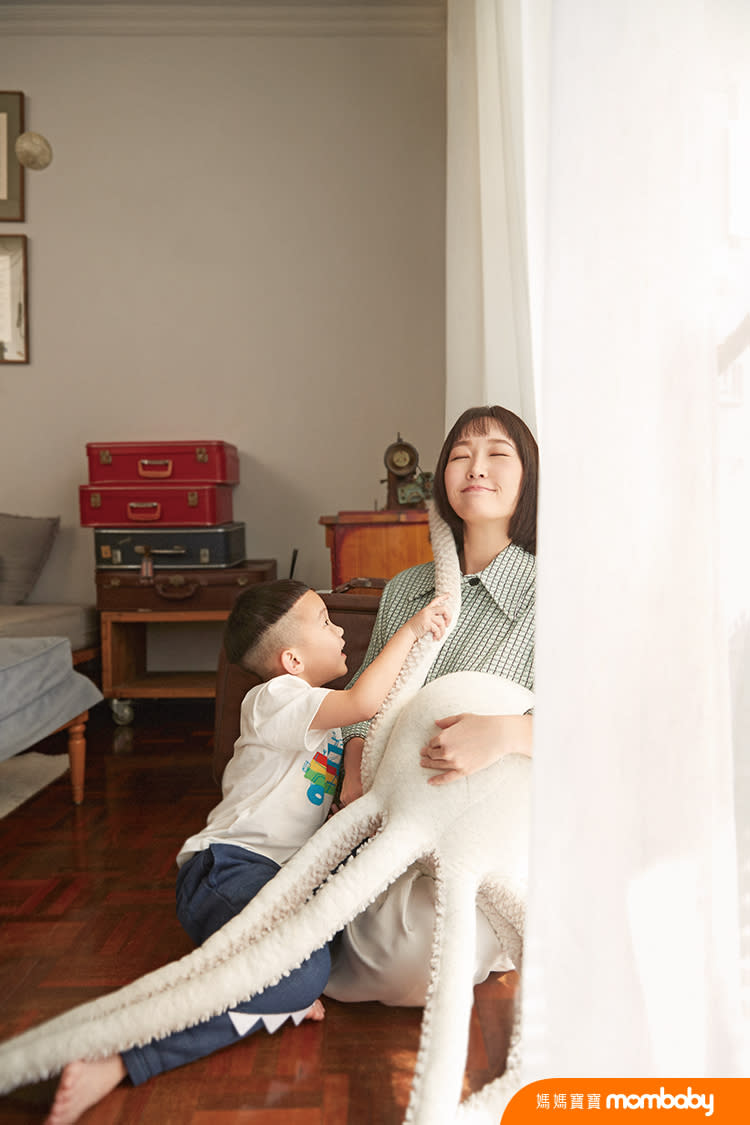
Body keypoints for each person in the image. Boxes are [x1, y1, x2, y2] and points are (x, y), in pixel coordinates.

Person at [45, 579, 450, 1125]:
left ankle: (273, 994)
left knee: (316, 961)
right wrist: (411, 630)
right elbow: (364, 703)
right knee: (306, 975)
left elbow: (356, 734)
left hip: (276, 885)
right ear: (291, 658)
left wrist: (354, 771)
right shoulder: (274, 699)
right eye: (327, 622)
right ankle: (122, 1056)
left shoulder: (316, 716)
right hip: (229, 871)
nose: (338, 631)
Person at [326, 402, 536, 1006]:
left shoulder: (555, 591)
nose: (476, 467)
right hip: (386, 812)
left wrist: (506, 734)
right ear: (442, 479)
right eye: (461, 456)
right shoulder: (407, 590)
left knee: (407, 965)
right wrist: (355, 767)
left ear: (528, 480)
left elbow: (595, 724)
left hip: (485, 828)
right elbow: (365, 699)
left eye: (498, 454)